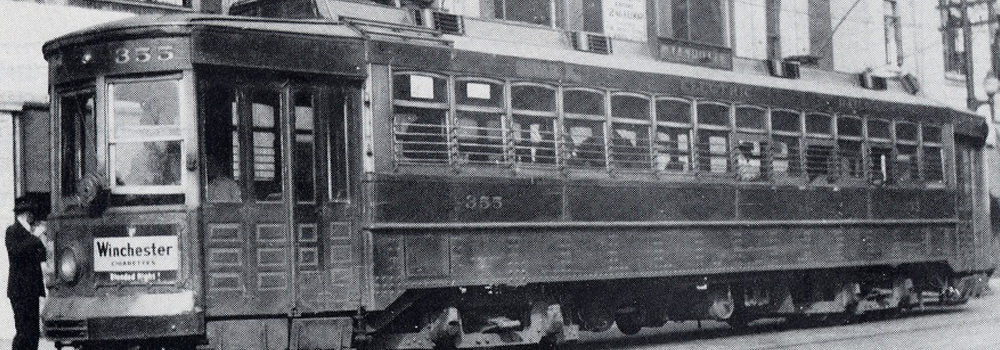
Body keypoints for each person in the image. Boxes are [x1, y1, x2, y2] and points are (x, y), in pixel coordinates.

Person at [6, 196, 47, 350]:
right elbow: (15, 251)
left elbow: (42, 254)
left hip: (32, 290)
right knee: (23, 331)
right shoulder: (12, 231)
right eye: (32, 213)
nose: (34, 217)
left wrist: (40, 239)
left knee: (33, 332)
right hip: (19, 290)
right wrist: (35, 237)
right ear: (26, 214)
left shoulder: (31, 234)